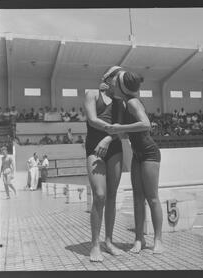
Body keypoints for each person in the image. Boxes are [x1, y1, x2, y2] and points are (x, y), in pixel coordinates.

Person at [103, 66, 163, 254]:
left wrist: (120, 128)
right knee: (138, 198)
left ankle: (158, 240)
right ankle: (139, 239)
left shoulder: (133, 103)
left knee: (152, 198)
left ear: (121, 87)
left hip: (149, 153)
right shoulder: (123, 102)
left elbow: (146, 124)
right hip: (137, 154)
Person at [84, 81, 124, 262]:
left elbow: (122, 128)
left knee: (112, 195)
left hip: (114, 147)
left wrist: (108, 138)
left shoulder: (120, 102)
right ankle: (95, 245)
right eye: (118, 78)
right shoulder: (92, 93)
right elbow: (92, 120)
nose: (121, 82)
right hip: (94, 147)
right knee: (100, 195)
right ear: (108, 79)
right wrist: (112, 130)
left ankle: (108, 241)